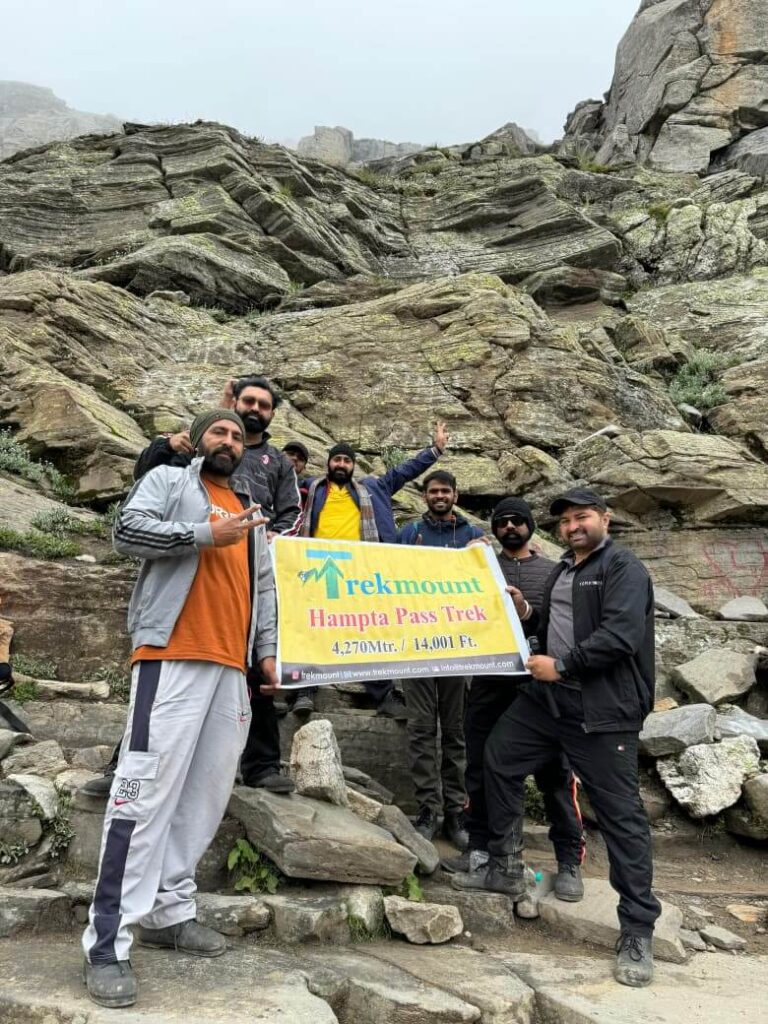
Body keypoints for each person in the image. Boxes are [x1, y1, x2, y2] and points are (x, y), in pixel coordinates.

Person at [82, 410, 278, 1009]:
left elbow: (264, 585)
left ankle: (170, 911)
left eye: (237, 437)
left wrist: (267, 652)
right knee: (145, 790)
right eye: (219, 432)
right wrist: (200, 535)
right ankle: (108, 943)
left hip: (230, 669)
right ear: (197, 441)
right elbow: (126, 531)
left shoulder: (249, 510)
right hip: (172, 653)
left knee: (204, 796)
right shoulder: (170, 481)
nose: (229, 441)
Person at [459, 488, 660, 989]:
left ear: (605, 518)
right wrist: (526, 611)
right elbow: (552, 626)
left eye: (582, 517)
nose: (572, 526)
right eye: (566, 521)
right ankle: (505, 864)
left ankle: (637, 929)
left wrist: (564, 665)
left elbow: (620, 636)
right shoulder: (564, 570)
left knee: (621, 817)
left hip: (603, 708)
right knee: (498, 757)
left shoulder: (623, 568)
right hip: (548, 700)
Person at [82, 375, 300, 797]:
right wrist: (171, 444)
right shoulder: (194, 451)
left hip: (251, 572)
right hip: (187, 578)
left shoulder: (279, 463)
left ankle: (261, 766)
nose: (254, 410)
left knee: (253, 674)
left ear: (272, 414)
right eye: (246, 402)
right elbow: (145, 488)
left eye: (263, 405)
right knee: (158, 704)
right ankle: (123, 768)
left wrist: (272, 538)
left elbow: (291, 513)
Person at [448, 497, 585, 903]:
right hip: (489, 683)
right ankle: (481, 851)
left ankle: (569, 862)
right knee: (480, 768)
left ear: (529, 526)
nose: (510, 527)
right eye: (502, 521)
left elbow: (557, 620)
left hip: (541, 688)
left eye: (517, 521)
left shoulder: (552, 571)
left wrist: (524, 608)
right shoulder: (478, 567)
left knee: (555, 778)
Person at [293, 423, 449, 719]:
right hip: (317, 569)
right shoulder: (309, 487)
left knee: (370, 630)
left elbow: (405, 471)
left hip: (363, 572)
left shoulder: (374, 487)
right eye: (337, 459)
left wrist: (435, 451)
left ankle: (384, 695)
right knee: (309, 628)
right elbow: (280, 484)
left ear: (353, 465)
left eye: (346, 460)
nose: (341, 464)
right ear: (328, 462)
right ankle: (304, 690)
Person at [397, 470, 484, 848]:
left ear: (455, 495)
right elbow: (387, 578)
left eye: (445, 491)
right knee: (420, 729)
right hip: (416, 644)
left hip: (455, 647)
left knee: (454, 732)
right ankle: (428, 809)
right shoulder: (409, 533)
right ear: (424, 496)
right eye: (433, 491)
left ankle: (455, 812)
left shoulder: (471, 537)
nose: (439, 496)